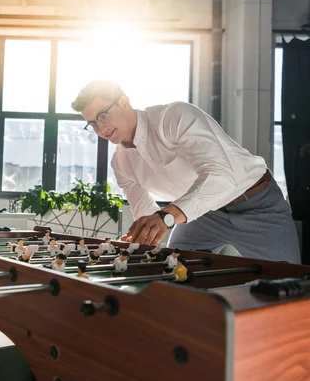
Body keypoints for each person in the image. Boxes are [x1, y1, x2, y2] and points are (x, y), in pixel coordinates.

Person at [71, 80, 300, 264]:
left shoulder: (174, 117)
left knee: (288, 288)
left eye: (103, 116)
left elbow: (221, 178)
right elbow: (146, 214)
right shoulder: (120, 163)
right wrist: (134, 244)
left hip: (257, 204)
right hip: (202, 214)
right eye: (92, 123)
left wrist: (166, 217)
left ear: (124, 101)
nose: (100, 129)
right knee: (174, 271)